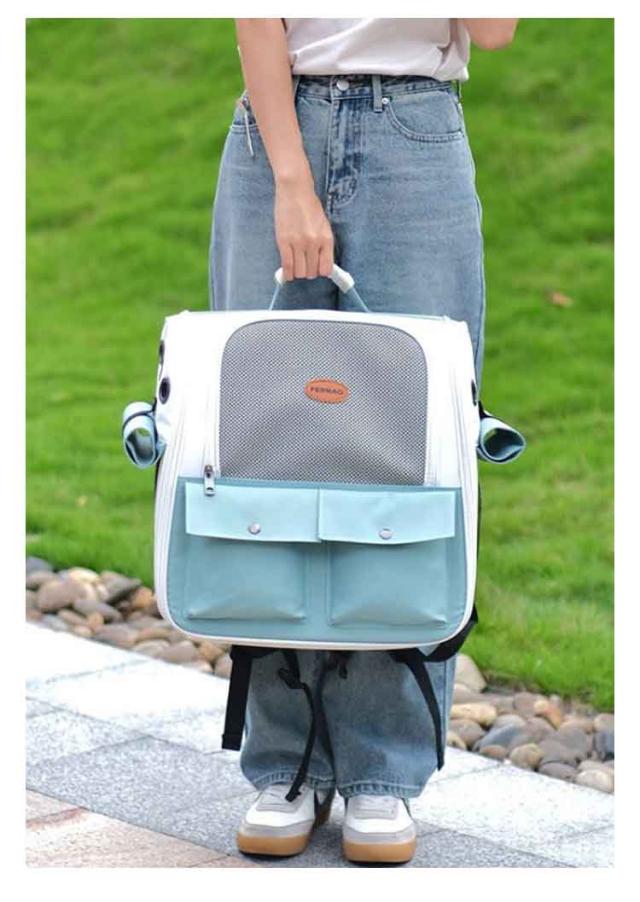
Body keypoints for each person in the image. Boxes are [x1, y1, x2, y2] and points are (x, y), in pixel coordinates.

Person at [209, 16, 518, 865]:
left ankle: (384, 766)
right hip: (276, 129)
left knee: (413, 449)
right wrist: (291, 181)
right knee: (264, 445)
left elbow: (495, 31)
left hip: (416, 135)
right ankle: (286, 758)